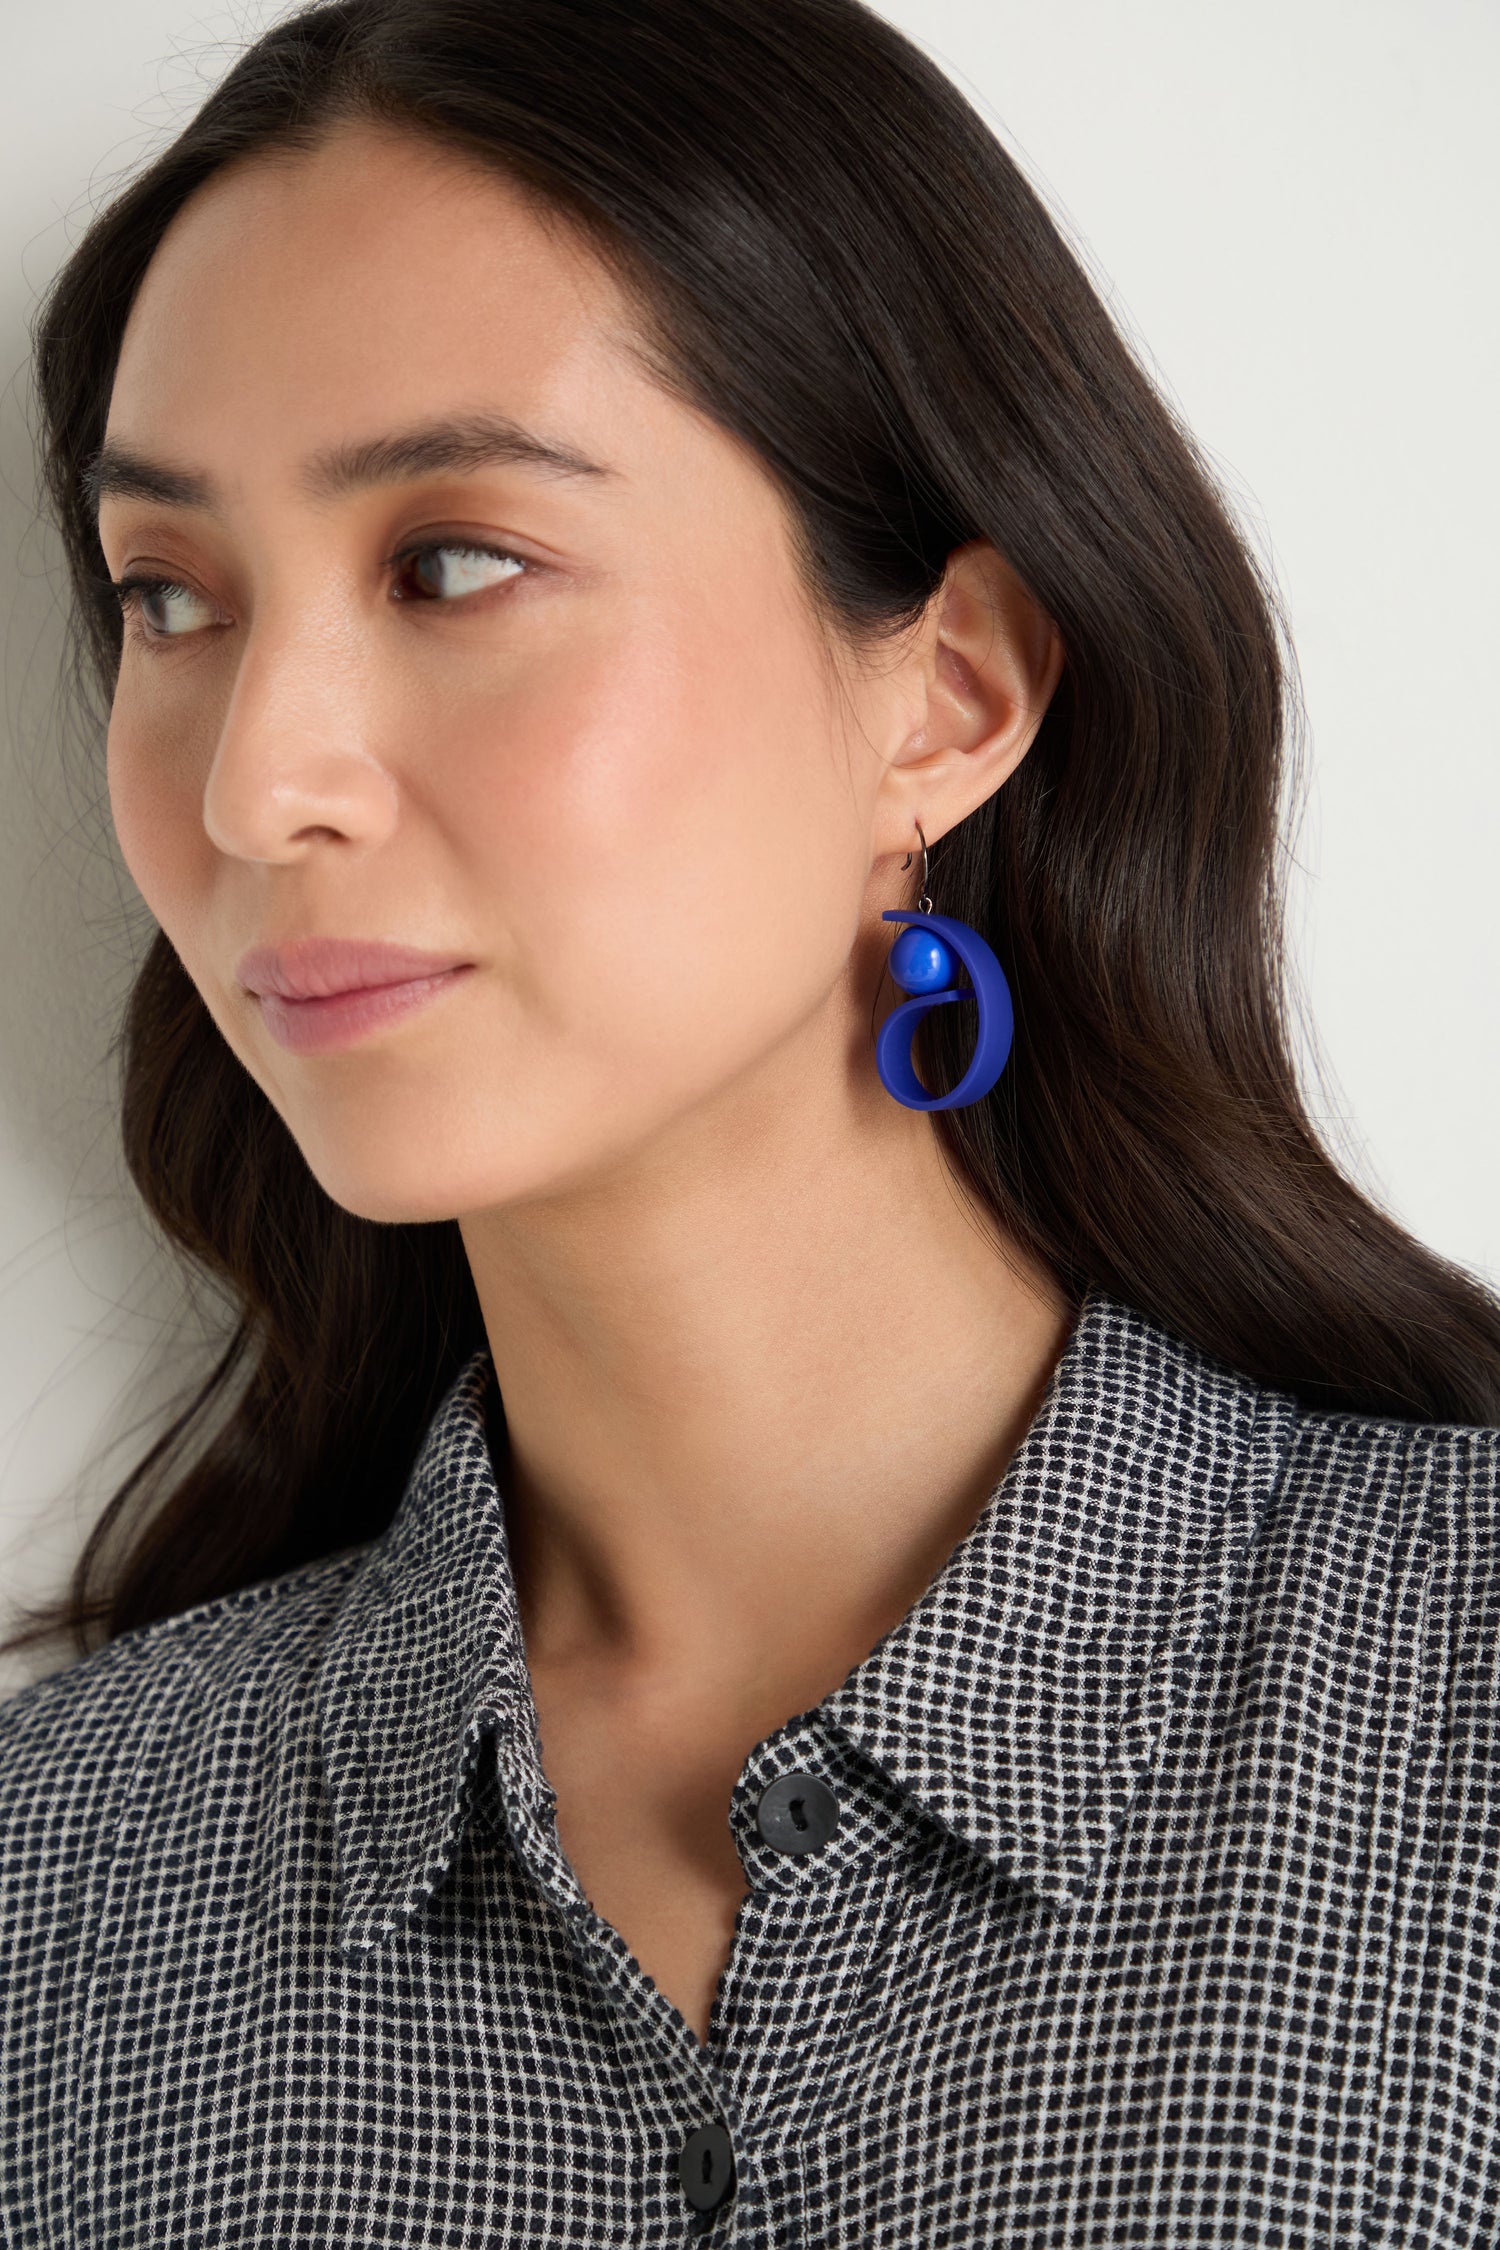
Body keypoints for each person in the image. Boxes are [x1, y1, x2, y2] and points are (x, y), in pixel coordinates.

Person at [2, 0, 1497, 2240]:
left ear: (948, 697)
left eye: (453, 562)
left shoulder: (1459, 1703)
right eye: (171, 598)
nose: (253, 784)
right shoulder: (64, 1891)